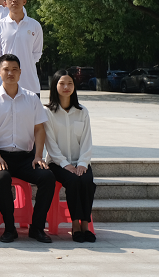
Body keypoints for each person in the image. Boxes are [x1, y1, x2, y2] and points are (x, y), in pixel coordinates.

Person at [0, 54, 55, 243]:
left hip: (26, 158)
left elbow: (39, 129)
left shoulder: (31, 98)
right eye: (6, 69)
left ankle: (37, 228)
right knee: (2, 177)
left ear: (20, 72)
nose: (10, 73)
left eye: (14, 69)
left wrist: (38, 156)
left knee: (47, 177)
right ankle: (9, 228)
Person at [44, 69, 96, 242]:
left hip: (79, 162)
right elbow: (50, 143)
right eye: (62, 83)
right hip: (57, 163)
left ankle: (85, 225)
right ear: (55, 86)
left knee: (87, 181)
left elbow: (87, 141)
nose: (66, 87)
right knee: (73, 181)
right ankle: (75, 225)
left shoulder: (82, 111)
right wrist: (65, 164)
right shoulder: (48, 112)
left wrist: (82, 163)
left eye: (70, 83)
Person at [0, 0, 44, 95]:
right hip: (6, 85)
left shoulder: (35, 25)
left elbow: (37, 54)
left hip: (30, 84)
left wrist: (25, 63)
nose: (14, 0)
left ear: (24, 1)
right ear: (5, 3)